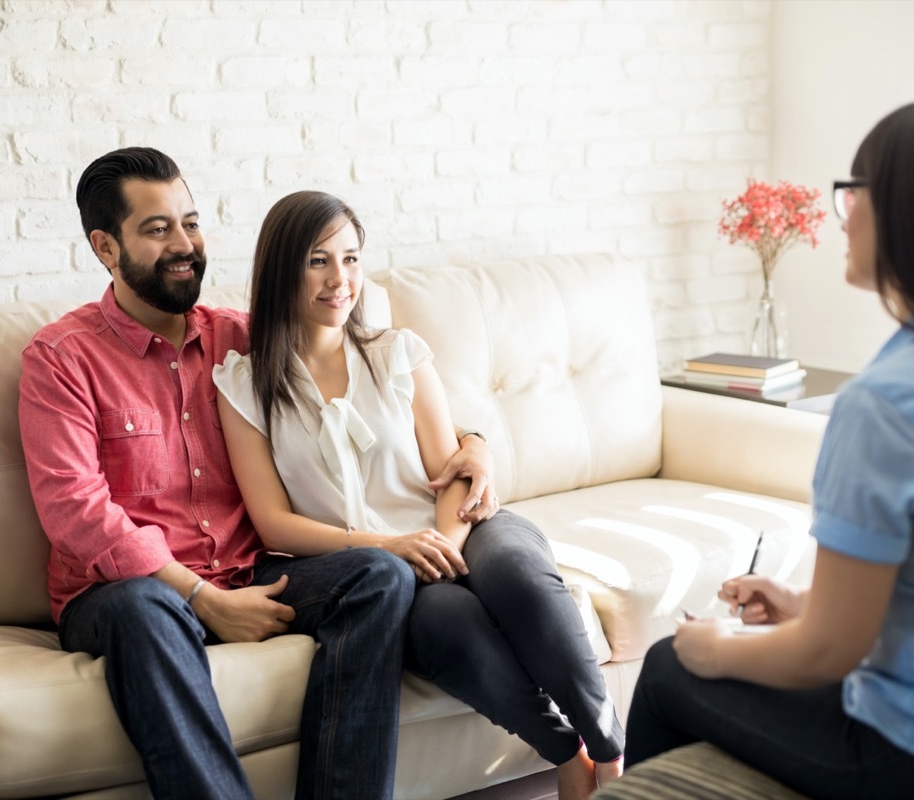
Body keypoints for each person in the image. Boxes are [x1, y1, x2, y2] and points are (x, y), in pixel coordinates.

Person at [18, 147, 500, 800]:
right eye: (158, 229)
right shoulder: (62, 359)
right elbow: (75, 509)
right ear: (106, 247)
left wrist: (475, 443)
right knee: (144, 609)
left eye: (190, 222)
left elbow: (373, 376)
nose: (185, 244)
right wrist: (203, 599)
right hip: (129, 593)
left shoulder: (242, 339)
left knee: (379, 574)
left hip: (250, 569)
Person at [623, 101, 914, 800]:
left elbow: (830, 652)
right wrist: (801, 603)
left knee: (672, 665)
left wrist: (720, 649)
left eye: (857, 192)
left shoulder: (887, 403)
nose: (842, 213)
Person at [211, 190, 626, 800]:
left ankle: (613, 754)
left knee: (515, 575)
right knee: (446, 625)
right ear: (281, 269)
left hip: (462, 525)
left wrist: (439, 549)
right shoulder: (244, 387)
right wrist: (394, 550)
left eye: (351, 259)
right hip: (370, 562)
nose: (340, 279)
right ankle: (567, 754)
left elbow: (452, 467)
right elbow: (273, 524)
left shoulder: (396, 352)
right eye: (318, 261)